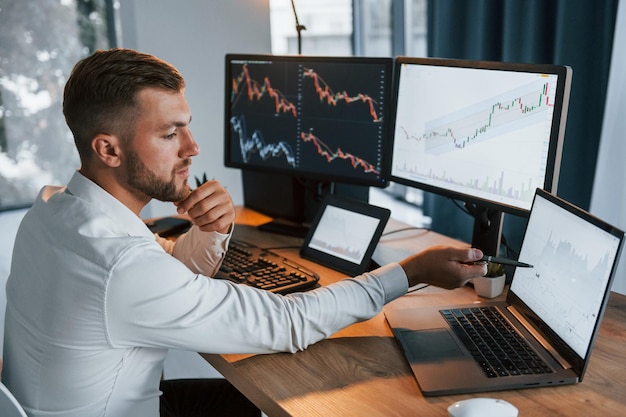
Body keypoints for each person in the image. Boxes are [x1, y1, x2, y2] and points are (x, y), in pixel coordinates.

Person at [1, 48, 487, 417]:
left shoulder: (52, 210)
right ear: (108, 149)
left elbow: (157, 270)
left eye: (187, 128)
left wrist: (212, 231)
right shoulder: (121, 264)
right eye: (170, 134)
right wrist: (410, 271)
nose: (192, 147)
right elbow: (288, 323)